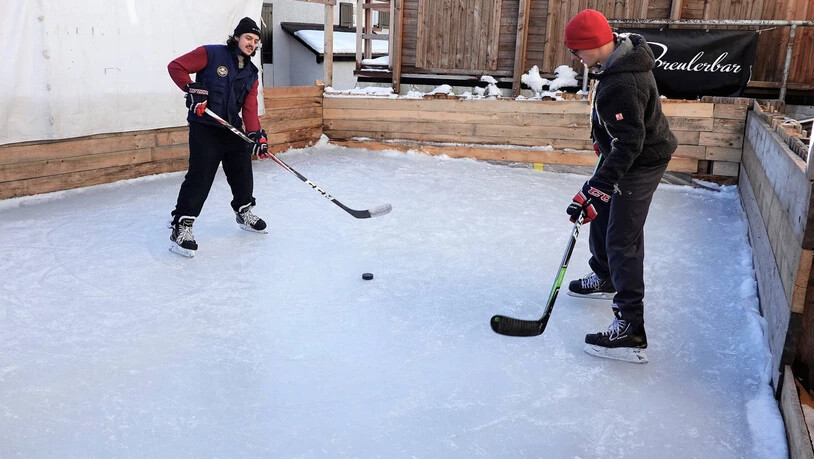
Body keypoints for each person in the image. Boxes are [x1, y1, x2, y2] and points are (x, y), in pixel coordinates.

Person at [562, 9, 678, 363]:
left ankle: (631, 328)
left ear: (594, 45)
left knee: (622, 239)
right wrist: (600, 176)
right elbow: (621, 130)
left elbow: (631, 143)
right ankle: (605, 275)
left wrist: (599, 183)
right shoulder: (618, 64)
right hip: (626, 154)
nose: (575, 58)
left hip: (639, 163)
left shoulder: (622, 82)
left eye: (576, 50)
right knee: (601, 213)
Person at [166, 17, 270, 258]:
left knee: (242, 169)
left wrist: (257, 136)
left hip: (231, 128)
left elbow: (250, 108)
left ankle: (244, 211)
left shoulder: (252, 73)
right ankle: (182, 225)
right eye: (248, 38)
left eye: (255, 41)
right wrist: (192, 90)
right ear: (237, 37)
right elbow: (176, 66)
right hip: (205, 127)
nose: (251, 44)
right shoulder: (210, 54)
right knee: (201, 176)